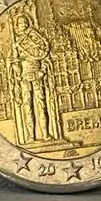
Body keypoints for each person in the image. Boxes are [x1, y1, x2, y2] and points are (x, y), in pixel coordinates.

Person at [11, 14, 60, 143]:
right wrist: (16, 67)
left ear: (28, 23)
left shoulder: (35, 37)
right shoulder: (16, 42)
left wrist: (42, 71)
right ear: (17, 25)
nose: (22, 25)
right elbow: (15, 62)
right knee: (27, 106)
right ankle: (31, 137)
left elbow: (44, 55)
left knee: (41, 105)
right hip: (24, 77)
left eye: (24, 22)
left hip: (37, 74)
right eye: (20, 23)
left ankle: (46, 135)